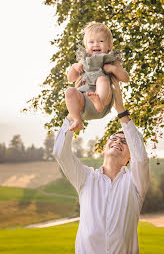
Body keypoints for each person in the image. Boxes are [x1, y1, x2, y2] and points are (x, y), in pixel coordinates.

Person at [53, 77, 150, 254]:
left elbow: (142, 159)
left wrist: (120, 110)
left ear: (129, 157)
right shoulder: (86, 178)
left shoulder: (135, 184)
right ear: (104, 148)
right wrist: (74, 112)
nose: (117, 141)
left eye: (124, 141)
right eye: (113, 138)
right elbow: (60, 153)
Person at [65, 22, 129, 131]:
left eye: (101, 41)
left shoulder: (112, 59)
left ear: (109, 46)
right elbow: (70, 78)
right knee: (69, 91)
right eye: (91, 42)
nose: (96, 44)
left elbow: (125, 78)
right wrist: (75, 67)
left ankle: (99, 100)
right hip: (83, 101)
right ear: (86, 46)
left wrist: (113, 69)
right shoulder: (84, 60)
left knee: (102, 79)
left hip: (102, 103)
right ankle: (77, 120)